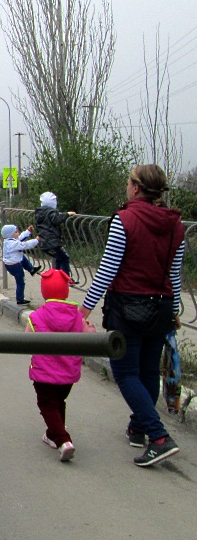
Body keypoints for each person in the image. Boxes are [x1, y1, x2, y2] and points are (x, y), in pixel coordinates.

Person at [79, 164, 185, 467]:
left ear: (136, 188)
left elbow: (108, 270)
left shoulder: (124, 219)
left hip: (128, 306)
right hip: (161, 305)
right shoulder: (175, 224)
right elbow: (174, 274)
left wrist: (83, 309)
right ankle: (139, 428)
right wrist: (175, 309)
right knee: (149, 373)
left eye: (128, 182)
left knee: (126, 374)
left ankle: (160, 437)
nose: (127, 186)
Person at [26, 269, 96, 462]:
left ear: (44, 292)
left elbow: (25, 341)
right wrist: (90, 329)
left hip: (44, 374)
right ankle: (52, 434)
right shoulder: (77, 317)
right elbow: (90, 337)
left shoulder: (37, 316)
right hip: (68, 375)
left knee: (47, 404)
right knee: (58, 403)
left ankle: (63, 441)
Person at [34, 191, 76, 280]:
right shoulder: (51, 212)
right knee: (64, 258)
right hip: (52, 242)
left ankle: (57, 278)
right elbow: (56, 219)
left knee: (58, 258)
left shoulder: (39, 212)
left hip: (43, 241)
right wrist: (67, 214)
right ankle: (65, 278)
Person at [2, 224, 41, 305]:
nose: (18, 233)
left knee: (22, 257)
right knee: (21, 282)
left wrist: (28, 231)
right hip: (15, 266)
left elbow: (21, 237)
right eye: (16, 232)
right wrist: (36, 240)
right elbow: (26, 245)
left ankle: (32, 269)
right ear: (11, 234)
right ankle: (20, 299)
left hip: (11, 264)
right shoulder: (13, 244)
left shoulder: (9, 241)